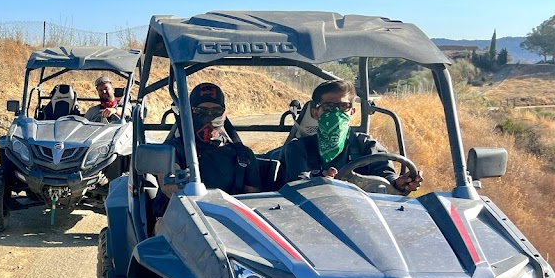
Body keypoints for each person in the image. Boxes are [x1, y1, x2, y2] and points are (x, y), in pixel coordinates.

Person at [283, 79, 422, 194]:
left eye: (344, 106)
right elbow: (297, 186)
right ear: (315, 113)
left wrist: (399, 184)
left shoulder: (367, 145)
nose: (336, 113)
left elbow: (387, 177)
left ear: (352, 111)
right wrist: (319, 181)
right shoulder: (298, 148)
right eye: (328, 107)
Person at [155, 83, 261, 219]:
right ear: (190, 112)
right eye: (201, 111)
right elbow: (169, 189)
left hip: (229, 221)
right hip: (181, 219)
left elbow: (253, 201)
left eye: (216, 111)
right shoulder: (172, 149)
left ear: (223, 113)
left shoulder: (243, 155)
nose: (210, 116)